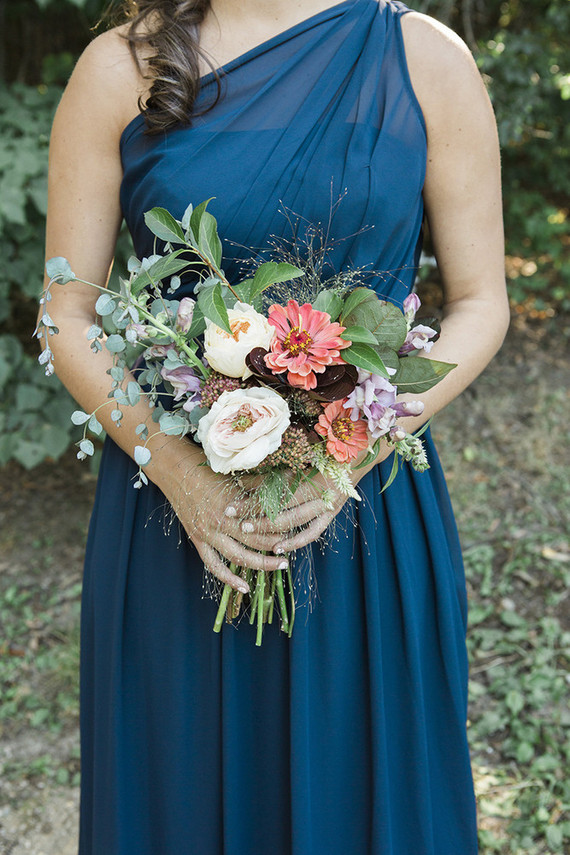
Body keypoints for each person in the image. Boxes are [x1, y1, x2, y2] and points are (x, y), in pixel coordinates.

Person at [42, 0, 510, 852]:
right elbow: (66, 311)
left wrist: (345, 449)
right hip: (173, 514)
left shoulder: (424, 58)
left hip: (362, 506)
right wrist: (181, 471)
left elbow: (481, 304)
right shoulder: (123, 67)